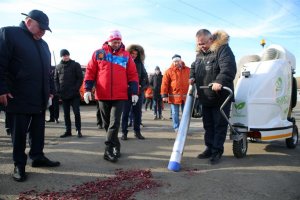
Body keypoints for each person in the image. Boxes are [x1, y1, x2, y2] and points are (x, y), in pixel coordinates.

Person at [0, 10, 60, 182]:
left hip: (39, 96)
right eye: (40, 27)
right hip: (17, 95)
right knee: (18, 133)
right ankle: (19, 164)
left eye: (45, 29)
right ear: (28, 22)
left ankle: (37, 156)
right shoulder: (9, 34)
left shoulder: (43, 45)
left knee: (38, 130)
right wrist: (1, 88)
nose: (42, 31)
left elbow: (48, 72)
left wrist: (50, 90)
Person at [84, 30, 139, 163]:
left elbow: (132, 74)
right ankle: (116, 146)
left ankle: (107, 150)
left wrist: (134, 92)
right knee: (107, 124)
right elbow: (90, 71)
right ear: (108, 41)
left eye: (119, 42)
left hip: (120, 95)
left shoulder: (126, 56)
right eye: (114, 41)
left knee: (114, 123)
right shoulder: (99, 54)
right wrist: (87, 89)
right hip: (102, 95)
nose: (116, 44)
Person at [189, 29, 236, 164]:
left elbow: (228, 68)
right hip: (205, 96)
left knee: (219, 125)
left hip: (221, 97)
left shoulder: (223, 50)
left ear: (211, 39)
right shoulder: (199, 55)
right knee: (208, 125)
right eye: (199, 44)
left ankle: (216, 151)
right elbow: (193, 67)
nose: (201, 46)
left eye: (203, 43)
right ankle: (209, 148)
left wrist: (219, 81)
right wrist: (192, 77)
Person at [121, 44, 148, 140]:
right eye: (132, 53)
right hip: (126, 92)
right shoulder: (123, 62)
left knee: (137, 113)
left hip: (138, 92)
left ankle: (137, 132)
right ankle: (124, 132)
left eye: (136, 54)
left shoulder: (140, 63)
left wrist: (141, 86)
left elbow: (145, 77)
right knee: (125, 113)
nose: (134, 55)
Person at [55, 49, 83, 138]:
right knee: (66, 114)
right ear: (61, 56)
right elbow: (55, 80)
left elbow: (80, 78)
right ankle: (68, 131)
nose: (66, 57)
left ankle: (78, 130)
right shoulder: (58, 67)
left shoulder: (75, 65)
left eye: (67, 55)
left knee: (76, 113)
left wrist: (76, 88)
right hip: (63, 94)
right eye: (64, 55)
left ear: (69, 55)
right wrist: (58, 90)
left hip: (74, 94)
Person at [161, 55, 190, 132]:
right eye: (174, 61)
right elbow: (164, 84)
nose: (176, 63)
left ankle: (184, 127)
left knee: (186, 113)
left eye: (177, 61)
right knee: (174, 113)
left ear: (181, 61)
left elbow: (193, 81)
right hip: (174, 96)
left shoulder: (188, 70)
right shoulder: (168, 71)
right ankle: (176, 127)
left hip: (185, 96)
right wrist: (164, 95)